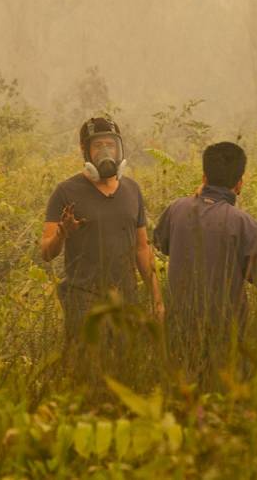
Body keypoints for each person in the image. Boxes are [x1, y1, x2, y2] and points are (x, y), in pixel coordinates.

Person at [40, 118, 164, 356]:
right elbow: (46, 252)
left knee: (125, 368)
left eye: (110, 144)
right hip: (83, 301)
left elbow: (142, 248)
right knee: (89, 369)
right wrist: (61, 234)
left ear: (119, 148)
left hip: (125, 301)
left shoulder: (132, 190)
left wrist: (156, 299)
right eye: (98, 146)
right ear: (84, 150)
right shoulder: (65, 192)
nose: (105, 151)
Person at [154, 141, 257, 385]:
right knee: (219, 397)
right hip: (225, 332)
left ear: (204, 176)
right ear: (239, 184)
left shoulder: (177, 209)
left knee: (182, 392)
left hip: (178, 326)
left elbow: (161, 243)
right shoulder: (243, 223)